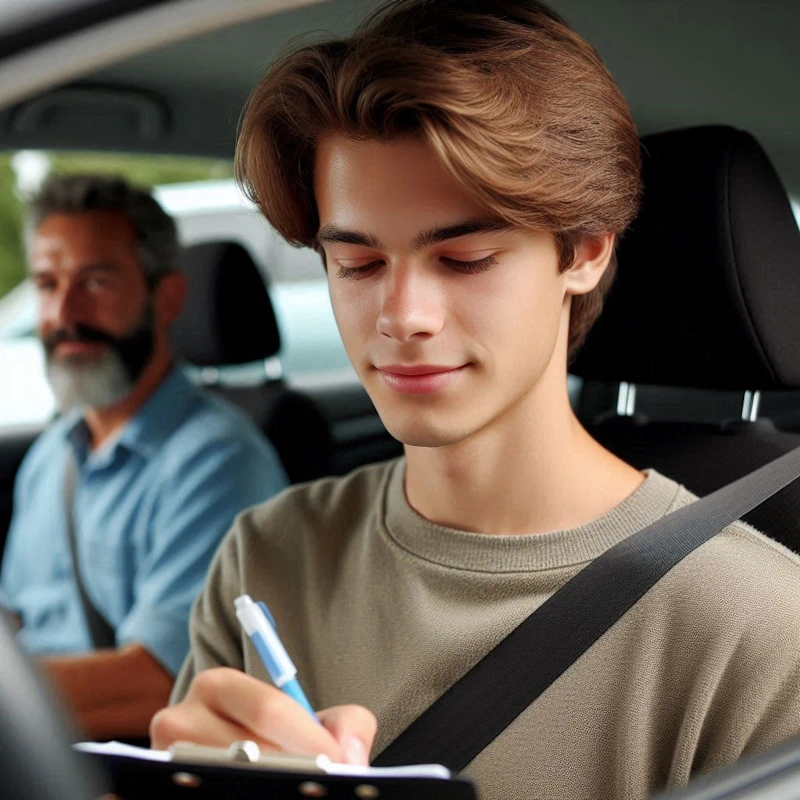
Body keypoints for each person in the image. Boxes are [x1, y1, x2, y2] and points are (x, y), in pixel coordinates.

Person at [151, 1, 800, 798]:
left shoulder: (764, 631)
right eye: (357, 265)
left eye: (463, 258)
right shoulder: (270, 557)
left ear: (586, 250)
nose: (401, 317)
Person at [0, 174, 287, 740]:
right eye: (47, 283)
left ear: (168, 297)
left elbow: (166, 681)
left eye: (96, 280)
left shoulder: (217, 461)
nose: (64, 312)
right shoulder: (52, 455)